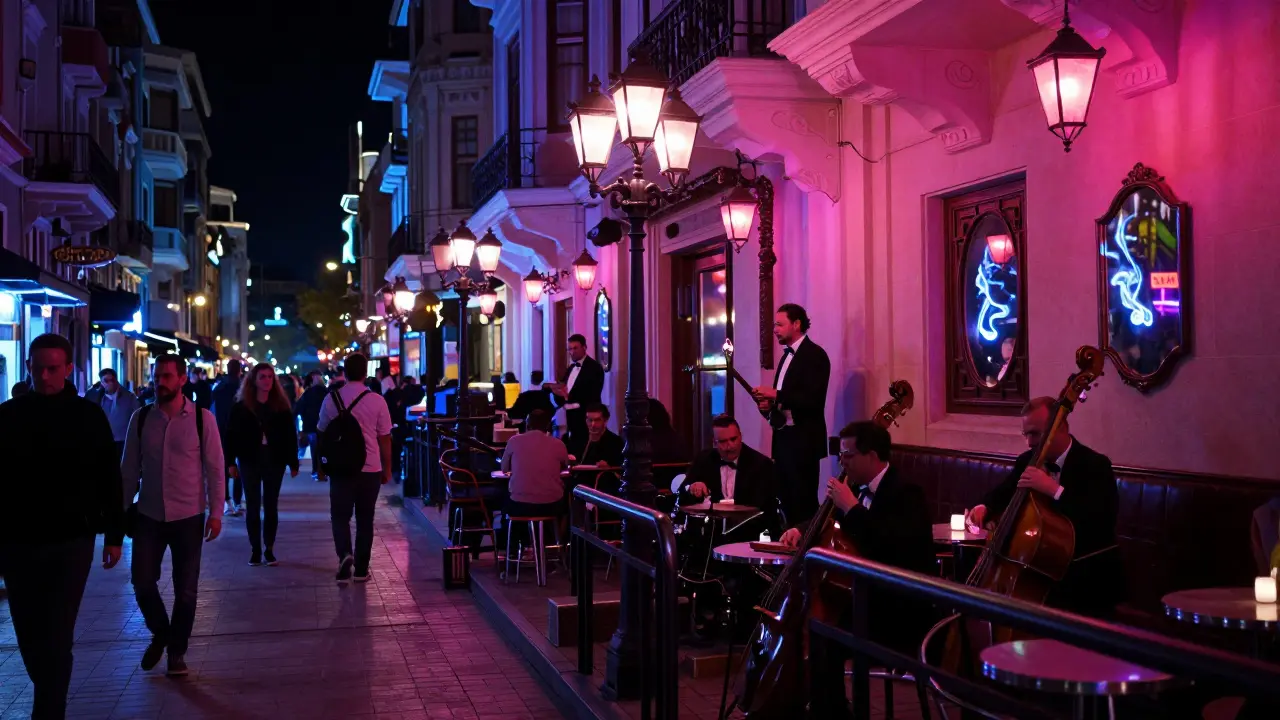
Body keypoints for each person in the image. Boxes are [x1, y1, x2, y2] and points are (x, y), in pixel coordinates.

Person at [0, 334, 125, 718]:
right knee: (28, 634)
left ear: (69, 369)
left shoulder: (87, 416)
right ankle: (49, 699)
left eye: (53, 368)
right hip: (18, 541)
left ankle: (49, 711)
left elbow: (109, 477)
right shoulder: (9, 415)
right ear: (28, 368)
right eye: (38, 368)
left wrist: (114, 535)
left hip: (71, 540)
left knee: (56, 634)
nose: (45, 375)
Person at [780, 420, 934, 703]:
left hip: (899, 607)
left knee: (825, 636)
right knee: (813, 626)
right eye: (841, 455)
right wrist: (800, 530)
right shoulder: (855, 489)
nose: (842, 462)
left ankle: (833, 712)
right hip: (864, 598)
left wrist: (851, 507)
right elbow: (826, 519)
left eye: (848, 455)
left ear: (872, 456)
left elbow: (891, 546)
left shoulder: (906, 492)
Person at [965, 396, 1124, 617]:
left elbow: (1101, 520)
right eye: (1026, 434)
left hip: (1085, 574)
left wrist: (1054, 490)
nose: (1029, 442)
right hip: (1041, 572)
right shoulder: (1027, 460)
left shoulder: (1095, 465)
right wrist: (984, 507)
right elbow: (1002, 492)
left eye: (1035, 433)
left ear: (1059, 428)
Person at [121, 354, 224, 677]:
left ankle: (176, 652)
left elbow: (215, 468)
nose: (159, 382)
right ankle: (162, 632)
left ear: (182, 379)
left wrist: (216, 512)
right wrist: (122, 512)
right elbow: (127, 471)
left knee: (187, 588)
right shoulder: (140, 419)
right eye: (157, 376)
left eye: (167, 376)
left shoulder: (201, 419)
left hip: (188, 515)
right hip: (149, 514)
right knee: (142, 582)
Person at [317, 352, 392, 585]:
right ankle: (361, 569)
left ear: (344, 372)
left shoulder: (331, 399)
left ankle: (344, 554)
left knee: (339, 516)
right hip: (370, 468)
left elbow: (321, 434)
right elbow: (385, 438)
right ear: (365, 372)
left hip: (341, 468)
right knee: (365, 518)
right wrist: (387, 468)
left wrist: (321, 465)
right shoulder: (377, 400)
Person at [752, 304, 830, 526]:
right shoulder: (786, 357)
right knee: (784, 503)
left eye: (779, 324)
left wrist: (775, 394)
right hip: (784, 440)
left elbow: (814, 400)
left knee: (803, 504)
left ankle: (806, 555)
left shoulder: (815, 355)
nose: (774, 329)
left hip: (803, 444)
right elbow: (785, 401)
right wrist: (768, 405)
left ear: (796, 324)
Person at [227, 363, 300, 566]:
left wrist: (293, 462)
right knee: (252, 505)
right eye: (262, 377)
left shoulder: (281, 406)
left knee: (270, 505)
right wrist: (230, 461)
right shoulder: (241, 406)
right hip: (249, 458)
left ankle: (269, 548)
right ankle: (255, 549)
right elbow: (231, 434)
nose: (267, 381)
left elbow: (289, 435)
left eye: (270, 377)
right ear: (254, 380)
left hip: (274, 458)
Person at [680, 415, 777, 528]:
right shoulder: (703, 460)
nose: (729, 446)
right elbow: (682, 496)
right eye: (722, 441)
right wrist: (692, 487)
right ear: (714, 443)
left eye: (733, 439)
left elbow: (766, 507)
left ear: (740, 436)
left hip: (748, 529)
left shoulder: (760, 464)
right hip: (711, 529)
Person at [500, 409, 572, 550]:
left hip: (520, 505)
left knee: (506, 500)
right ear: (548, 426)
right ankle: (554, 550)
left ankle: (515, 551)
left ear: (527, 425)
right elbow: (567, 467)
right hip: (552, 505)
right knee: (566, 504)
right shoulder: (558, 444)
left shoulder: (514, 441)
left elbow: (504, 469)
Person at [550, 334, 604, 440]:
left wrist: (567, 397)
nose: (572, 352)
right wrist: (558, 393)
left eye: (575, 348)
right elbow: (565, 388)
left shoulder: (594, 367)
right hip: (570, 417)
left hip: (586, 417)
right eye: (570, 349)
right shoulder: (570, 368)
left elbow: (593, 393)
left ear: (584, 347)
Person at [211, 360, 246, 516]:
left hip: (222, 429)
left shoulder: (219, 387)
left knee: (224, 466)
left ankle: (227, 500)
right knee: (240, 465)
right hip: (240, 430)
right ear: (239, 370)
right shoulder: (244, 388)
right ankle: (238, 501)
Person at [89, 368, 141, 460]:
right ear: (101, 383)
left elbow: (137, 417)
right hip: (104, 441)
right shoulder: (97, 397)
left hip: (124, 441)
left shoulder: (129, 397)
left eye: (112, 380)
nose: (110, 383)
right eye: (106, 380)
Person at [295, 370, 328, 481]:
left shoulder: (308, 393)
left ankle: (316, 470)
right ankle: (323, 470)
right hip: (325, 425)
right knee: (324, 448)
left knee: (315, 449)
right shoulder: (327, 393)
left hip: (311, 425)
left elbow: (298, 408)